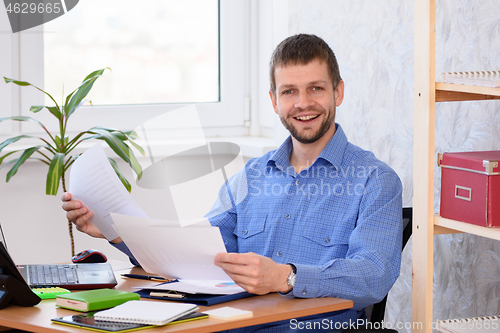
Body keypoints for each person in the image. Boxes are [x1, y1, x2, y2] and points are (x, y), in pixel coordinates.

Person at [62, 34, 402, 332]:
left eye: (316, 88)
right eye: (289, 91)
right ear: (274, 101)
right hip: (231, 327)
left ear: (338, 92)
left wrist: (287, 277)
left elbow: (373, 275)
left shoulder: (375, 180)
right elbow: (196, 254)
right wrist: (115, 231)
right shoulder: (252, 177)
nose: (303, 103)